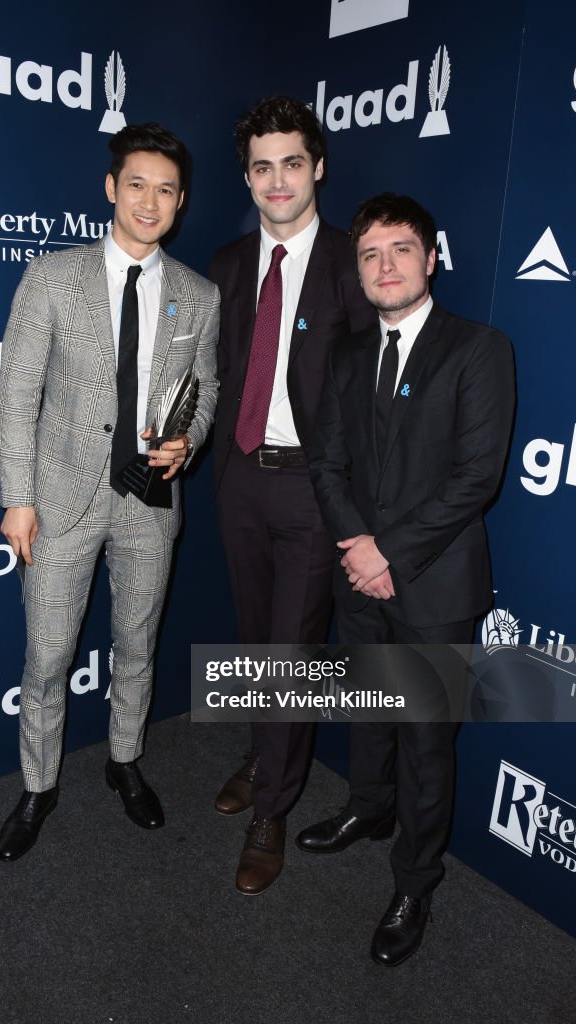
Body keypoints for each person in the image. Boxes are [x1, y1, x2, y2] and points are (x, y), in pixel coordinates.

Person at [299, 193, 515, 965]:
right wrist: (357, 547)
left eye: (399, 250)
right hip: (359, 575)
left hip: (432, 584)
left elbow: (474, 478)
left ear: (430, 258)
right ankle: (366, 809)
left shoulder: (477, 348)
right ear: (357, 270)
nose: (383, 266)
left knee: (427, 744)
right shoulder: (349, 354)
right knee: (368, 710)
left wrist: (385, 552)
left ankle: (414, 882)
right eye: (368, 254)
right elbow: (325, 461)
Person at [0, 123, 219, 862]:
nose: (149, 201)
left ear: (180, 201)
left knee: (136, 644)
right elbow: (17, 394)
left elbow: (206, 386)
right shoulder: (52, 278)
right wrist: (17, 497)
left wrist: (191, 439)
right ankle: (38, 785)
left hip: (149, 502)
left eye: (165, 189)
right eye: (136, 184)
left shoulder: (198, 294)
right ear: (110, 188)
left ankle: (125, 762)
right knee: (48, 653)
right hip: (60, 499)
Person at [210, 96, 373, 895]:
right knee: (252, 641)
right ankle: (261, 751)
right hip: (238, 477)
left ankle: (271, 805)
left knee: (290, 657)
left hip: (314, 489)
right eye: (262, 167)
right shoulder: (227, 264)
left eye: (292, 164)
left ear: (318, 168)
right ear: (247, 176)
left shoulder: (353, 262)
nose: (278, 181)